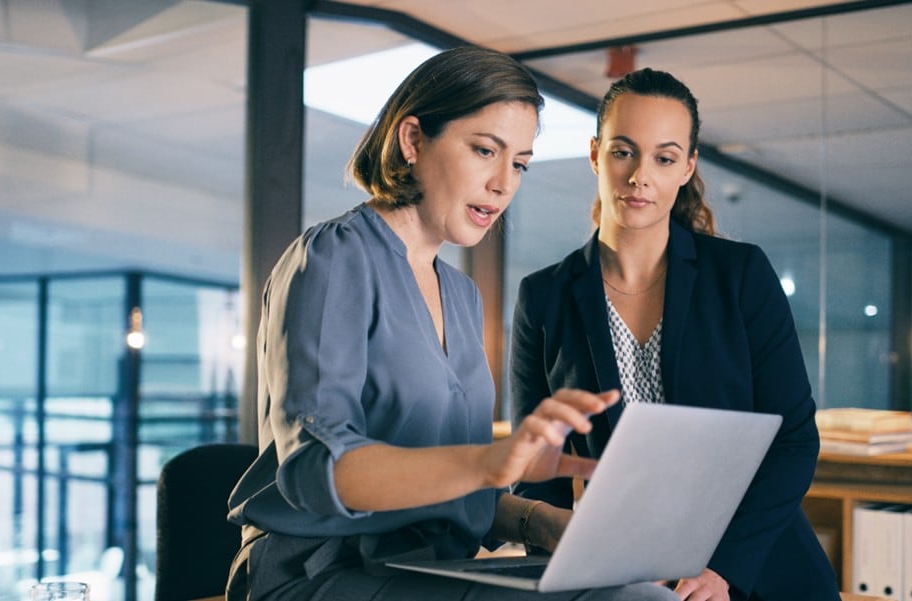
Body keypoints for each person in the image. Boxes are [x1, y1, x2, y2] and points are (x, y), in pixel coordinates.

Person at [225, 46, 679, 601]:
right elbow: (316, 470)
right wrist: (488, 462)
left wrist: (551, 525)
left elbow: (454, 490)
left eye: (518, 164)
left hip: (430, 569)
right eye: (485, 150)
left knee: (642, 591)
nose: (503, 183)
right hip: (319, 574)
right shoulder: (333, 258)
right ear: (412, 140)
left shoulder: (462, 295)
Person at [509, 68, 840, 601]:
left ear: (687, 167)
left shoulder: (740, 276)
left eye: (664, 158)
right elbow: (537, 472)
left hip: (756, 570)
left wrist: (724, 569)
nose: (641, 175)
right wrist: (558, 581)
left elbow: (795, 439)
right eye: (623, 151)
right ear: (595, 154)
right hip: (621, 575)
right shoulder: (544, 297)